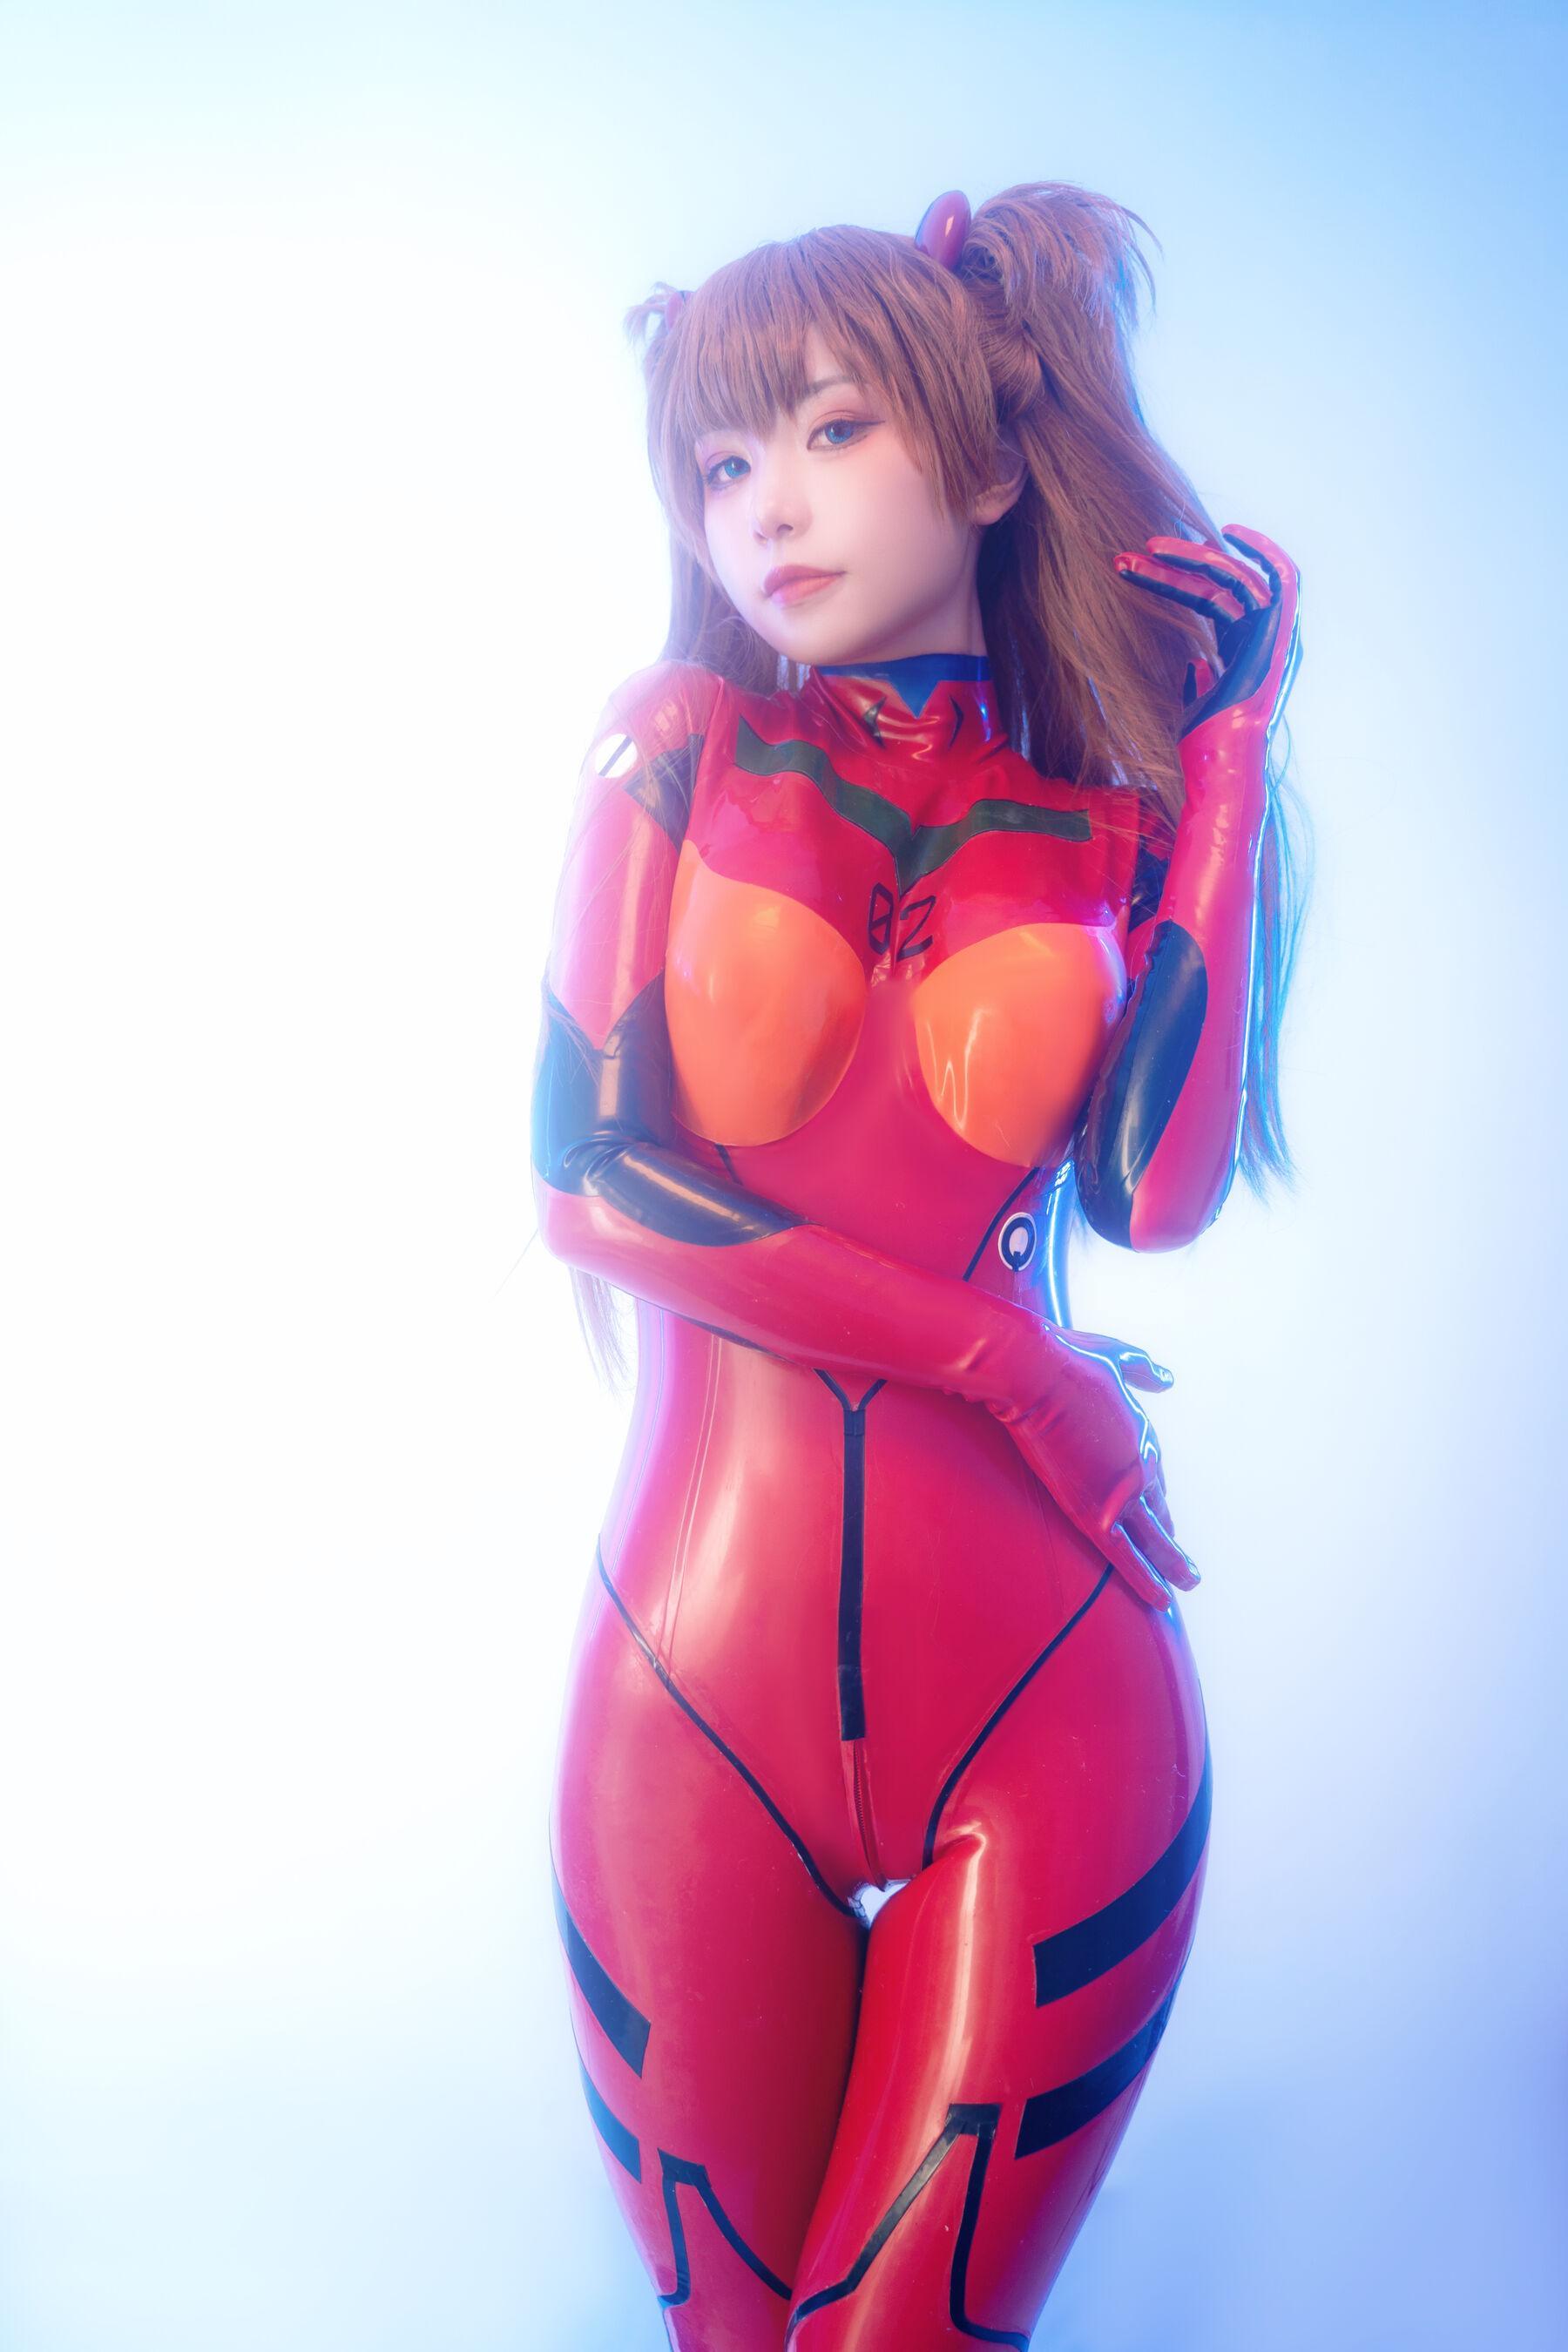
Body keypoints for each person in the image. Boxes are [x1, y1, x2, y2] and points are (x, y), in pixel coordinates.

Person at [531, 179, 1303, 2349]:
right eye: (720, 462)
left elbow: (1154, 1191)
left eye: (831, 430)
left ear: (981, 464)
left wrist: (1231, 764)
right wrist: (1015, 1366)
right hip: (690, 1698)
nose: (763, 506)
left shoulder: (1105, 833)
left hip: (1058, 1692)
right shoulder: (671, 746)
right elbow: (590, 1181)